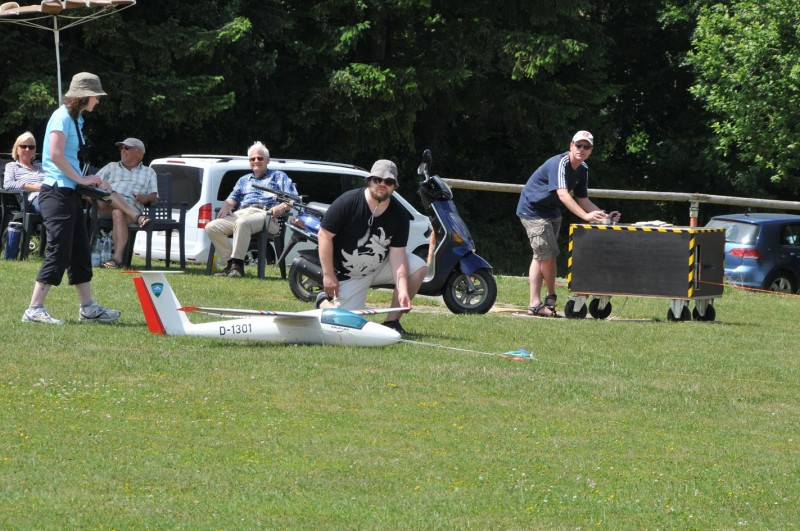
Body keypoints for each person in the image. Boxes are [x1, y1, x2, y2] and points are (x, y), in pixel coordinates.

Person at [22, 72, 120, 325]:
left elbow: (68, 157)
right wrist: (81, 179)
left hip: (69, 192)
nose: (98, 100)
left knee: (79, 250)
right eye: (96, 96)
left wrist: (87, 181)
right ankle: (34, 309)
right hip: (56, 192)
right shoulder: (62, 116)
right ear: (84, 96)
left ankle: (88, 308)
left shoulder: (75, 119)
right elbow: (55, 154)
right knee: (59, 248)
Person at [316, 159, 427, 335]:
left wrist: (403, 290)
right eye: (377, 179)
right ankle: (322, 301)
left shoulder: (399, 214)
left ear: (394, 186)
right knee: (348, 327)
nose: (382, 184)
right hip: (350, 274)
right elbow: (324, 236)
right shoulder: (348, 202)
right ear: (369, 180)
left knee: (419, 266)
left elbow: (397, 255)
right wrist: (329, 275)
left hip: (379, 265)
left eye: (388, 181)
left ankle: (392, 322)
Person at [516, 130, 620, 317]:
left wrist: (604, 216)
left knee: (541, 256)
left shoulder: (583, 168)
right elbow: (563, 194)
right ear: (571, 146)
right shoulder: (560, 163)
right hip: (533, 210)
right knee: (548, 256)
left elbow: (583, 200)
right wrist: (585, 216)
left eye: (586, 146)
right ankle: (548, 299)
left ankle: (535, 305)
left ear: (591, 150)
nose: (581, 149)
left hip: (551, 211)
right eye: (578, 145)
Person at [205, 141, 297, 278]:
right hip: (243, 213)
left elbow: (293, 198)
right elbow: (232, 199)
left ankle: (237, 266)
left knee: (242, 223)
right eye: (252, 159)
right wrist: (227, 205)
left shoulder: (278, 176)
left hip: (266, 215)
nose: (256, 161)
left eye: (260, 158)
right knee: (212, 227)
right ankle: (231, 265)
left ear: (267, 160)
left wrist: (281, 207)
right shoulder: (244, 180)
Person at [95, 137, 158, 268]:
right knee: (104, 184)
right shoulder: (111, 166)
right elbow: (93, 183)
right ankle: (137, 217)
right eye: (121, 148)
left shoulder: (149, 172)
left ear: (139, 153)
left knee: (118, 212)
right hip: (105, 205)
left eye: (127, 148)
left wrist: (145, 198)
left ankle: (116, 259)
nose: (122, 150)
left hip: (131, 206)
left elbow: (153, 197)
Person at [3, 131, 45, 213]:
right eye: (23, 146)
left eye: (31, 147)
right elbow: (8, 184)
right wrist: (37, 188)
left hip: (51, 196)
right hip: (31, 201)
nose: (27, 149)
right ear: (16, 149)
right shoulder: (12, 166)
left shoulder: (41, 166)